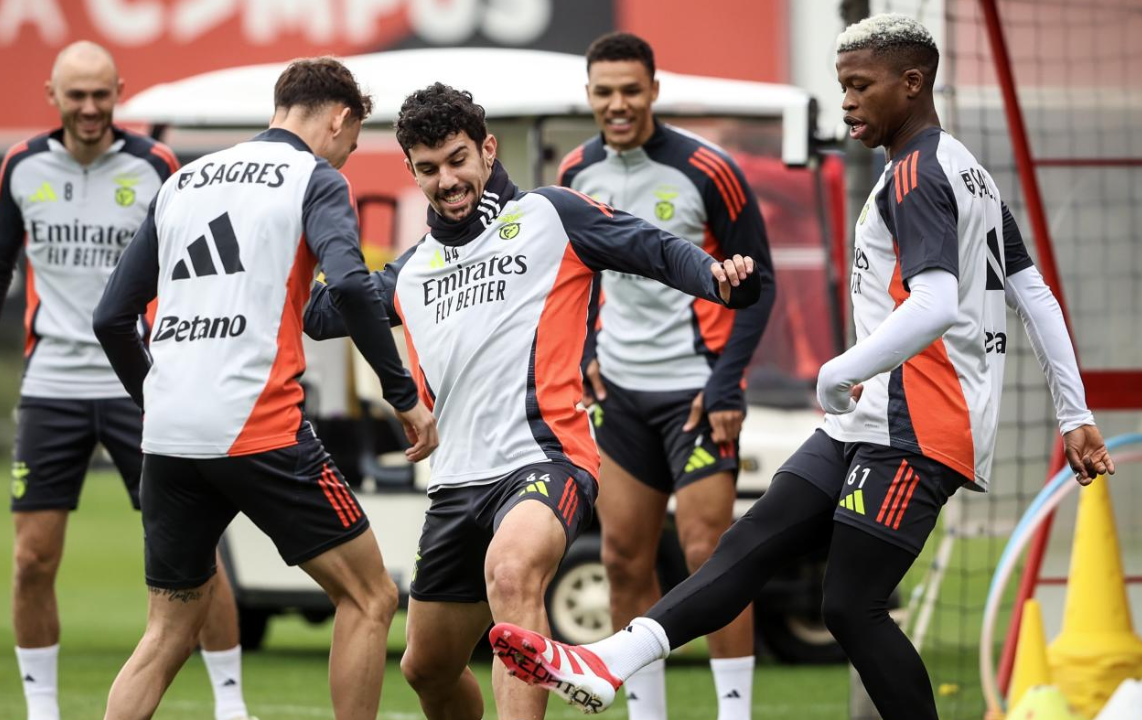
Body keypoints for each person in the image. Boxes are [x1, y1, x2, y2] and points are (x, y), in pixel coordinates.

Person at [491, 14, 1116, 720]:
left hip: (918, 425)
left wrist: (836, 371)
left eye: (861, 86)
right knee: (748, 543)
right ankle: (610, 662)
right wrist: (1074, 414)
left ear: (912, 84)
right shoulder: (960, 168)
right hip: (868, 417)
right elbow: (1035, 293)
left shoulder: (919, 173)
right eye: (841, 86)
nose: (847, 101)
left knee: (850, 605)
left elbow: (937, 303)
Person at [302, 82, 761, 720]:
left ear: (488, 150)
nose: (447, 181)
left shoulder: (550, 214)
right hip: (454, 486)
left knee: (513, 571)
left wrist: (715, 278)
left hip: (545, 461)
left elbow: (650, 246)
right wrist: (302, 226)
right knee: (427, 669)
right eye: (429, 169)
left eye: (458, 159)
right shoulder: (408, 271)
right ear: (411, 171)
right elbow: (320, 312)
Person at [91, 57, 437, 720]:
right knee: (370, 597)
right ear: (339, 118)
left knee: (166, 633)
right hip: (259, 430)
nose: (348, 152)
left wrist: (156, 401)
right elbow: (351, 286)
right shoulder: (315, 178)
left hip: (169, 438)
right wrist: (403, 396)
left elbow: (110, 318)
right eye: (353, 139)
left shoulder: (182, 181)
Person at [0, 41, 255, 720]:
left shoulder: (156, 166)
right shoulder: (22, 165)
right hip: (50, 389)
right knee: (32, 560)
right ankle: (42, 710)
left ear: (119, 91)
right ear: (51, 96)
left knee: (195, 551)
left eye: (100, 94)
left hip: (141, 386)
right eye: (76, 95)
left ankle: (232, 704)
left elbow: (196, 270)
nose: (89, 108)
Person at [558, 31, 776, 720]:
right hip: (618, 397)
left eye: (631, 90)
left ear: (654, 90)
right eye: (604, 92)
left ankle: (734, 714)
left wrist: (727, 384)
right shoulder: (574, 171)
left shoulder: (708, 169)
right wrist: (584, 353)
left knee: (711, 554)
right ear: (589, 96)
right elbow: (570, 278)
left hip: (696, 394)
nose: (618, 104)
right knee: (623, 557)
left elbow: (759, 283)